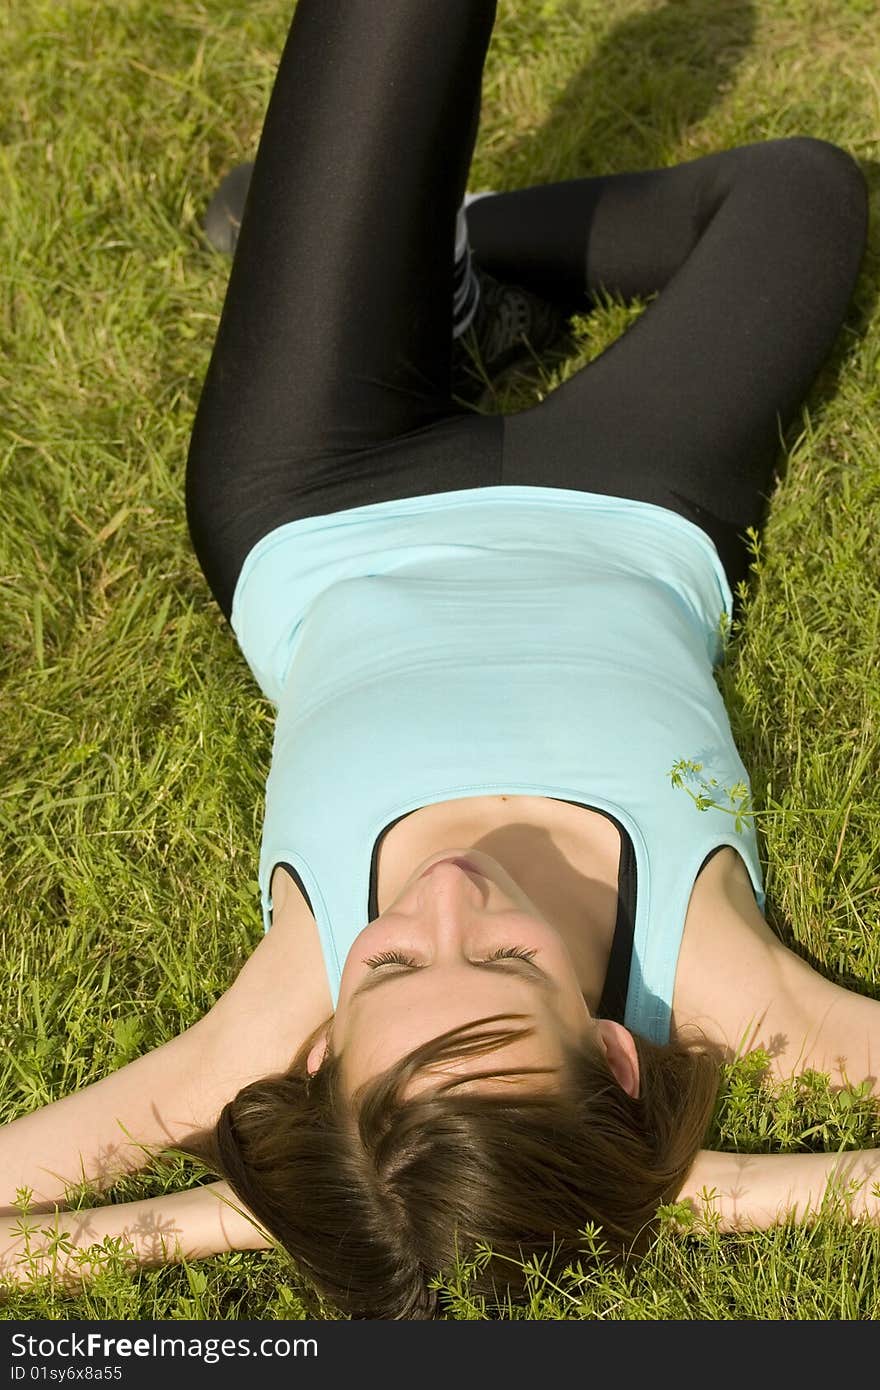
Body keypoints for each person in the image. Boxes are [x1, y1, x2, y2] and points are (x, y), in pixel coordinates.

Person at [1, 0, 874, 1322]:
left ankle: (424, 266)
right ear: (618, 1060)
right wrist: (661, 1184)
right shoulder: (727, 984)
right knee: (804, 188)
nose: (448, 903)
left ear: (324, 1049)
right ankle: (452, 264)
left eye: (394, 968)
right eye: (510, 966)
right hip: (641, 500)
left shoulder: (275, 1009)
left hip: (317, 489)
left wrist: (267, 1199)